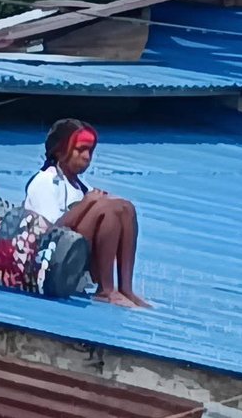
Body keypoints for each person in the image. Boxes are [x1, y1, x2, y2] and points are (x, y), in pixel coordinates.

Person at [24, 119, 150, 308]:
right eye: (80, 150)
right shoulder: (45, 182)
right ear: (60, 150)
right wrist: (87, 204)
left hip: (72, 254)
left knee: (125, 208)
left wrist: (93, 201)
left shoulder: (80, 186)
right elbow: (49, 234)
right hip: (47, 262)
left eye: (90, 151)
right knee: (107, 209)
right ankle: (105, 290)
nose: (87, 157)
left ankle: (125, 288)